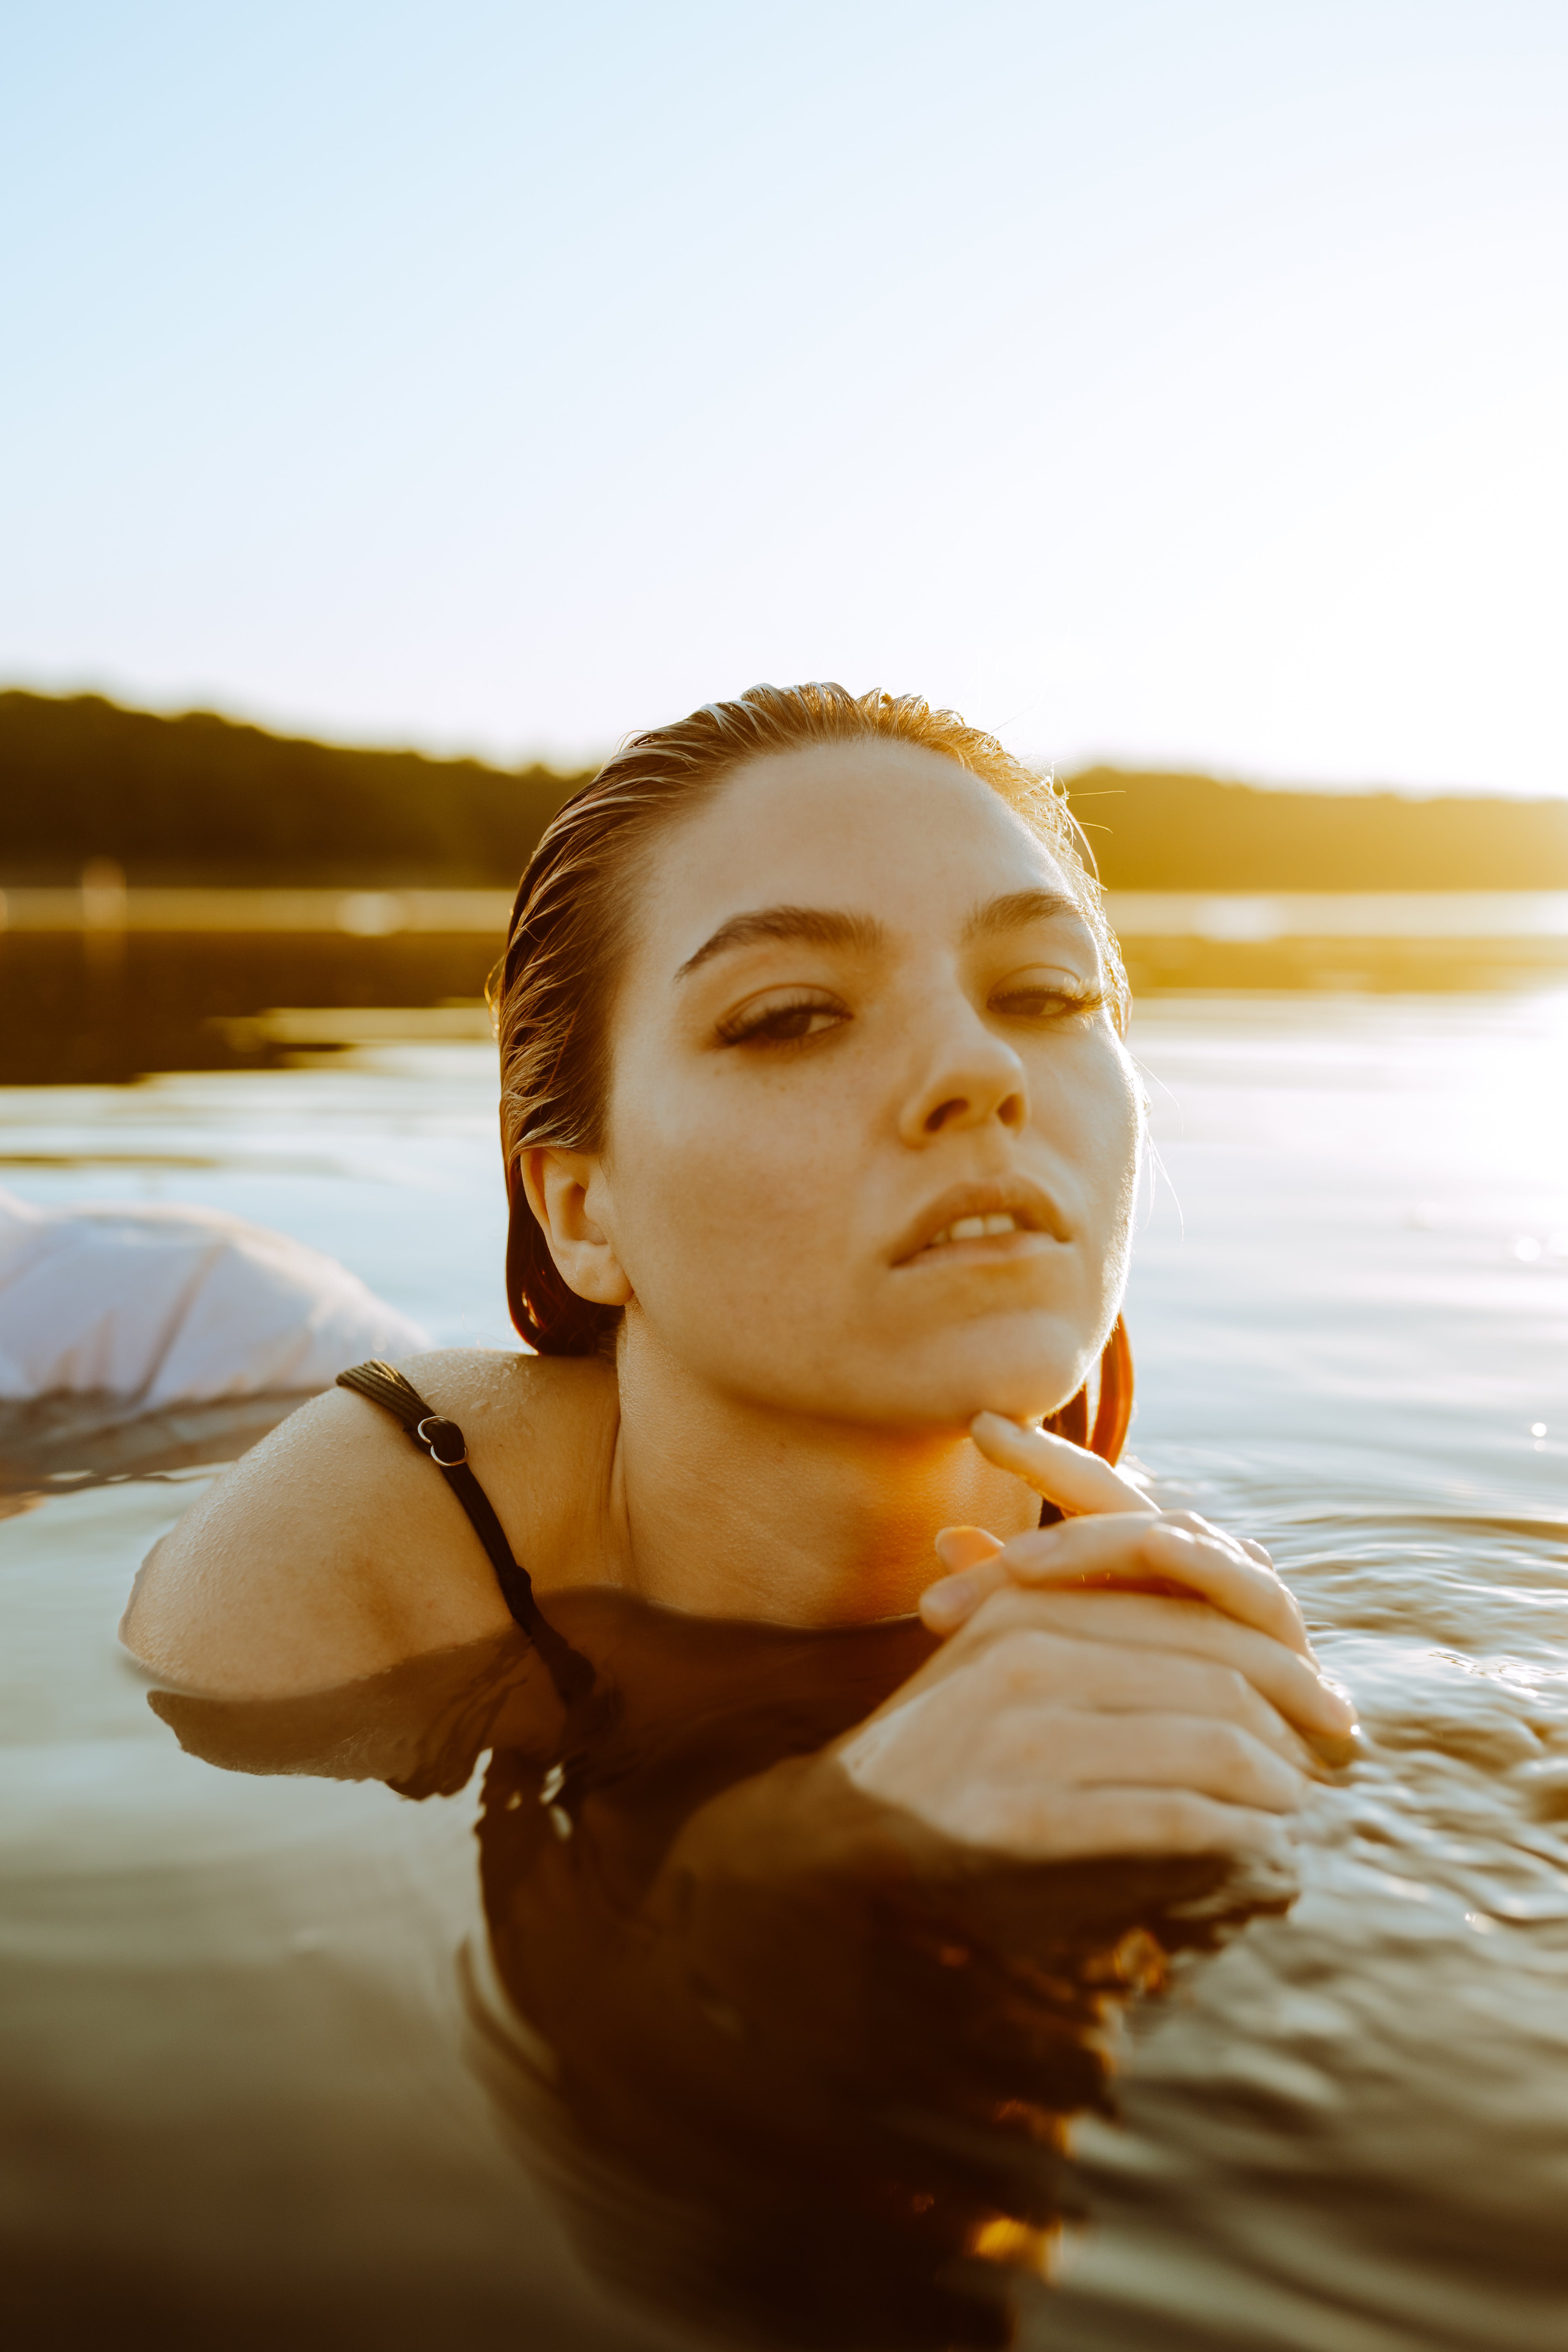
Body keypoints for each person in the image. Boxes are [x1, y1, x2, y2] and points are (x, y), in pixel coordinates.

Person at [123, 683, 1356, 1860]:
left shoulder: (1169, 1593)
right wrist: (822, 1838)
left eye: (1043, 992)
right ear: (581, 1211)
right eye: (791, 1016)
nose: (980, 1071)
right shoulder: (337, 1561)